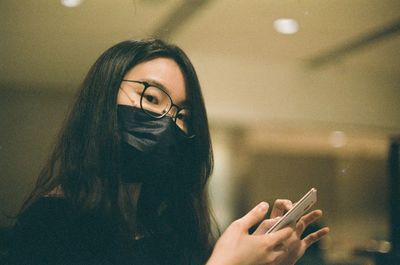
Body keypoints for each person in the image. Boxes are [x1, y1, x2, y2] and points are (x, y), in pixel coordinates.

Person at [5, 39, 329, 265]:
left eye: (182, 116)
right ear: (102, 98)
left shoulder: (162, 227)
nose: (168, 122)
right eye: (152, 99)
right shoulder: (49, 226)